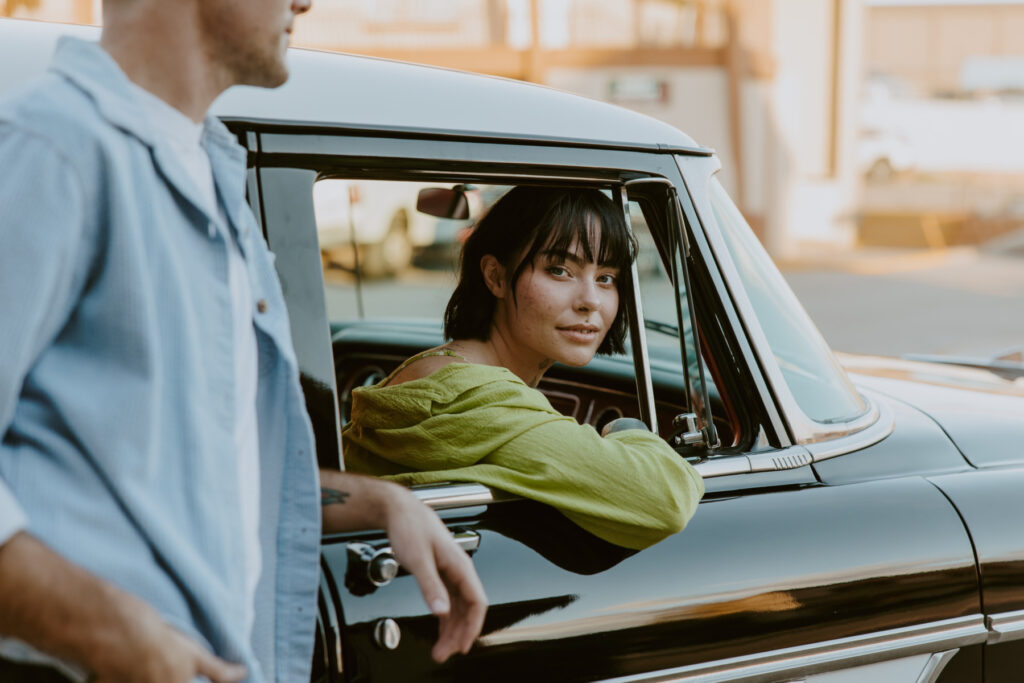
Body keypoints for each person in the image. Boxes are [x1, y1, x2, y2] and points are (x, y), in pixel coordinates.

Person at [0, 1, 485, 681]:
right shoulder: (50, 149)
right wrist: (112, 635)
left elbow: (206, 475)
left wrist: (381, 502)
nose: (306, 3)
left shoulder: (214, 173)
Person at [343, 187, 705, 551]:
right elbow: (666, 500)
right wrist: (628, 429)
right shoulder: (478, 400)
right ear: (495, 276)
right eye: (560, 270)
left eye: (606, 277)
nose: (591, 301)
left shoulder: (433, 370)